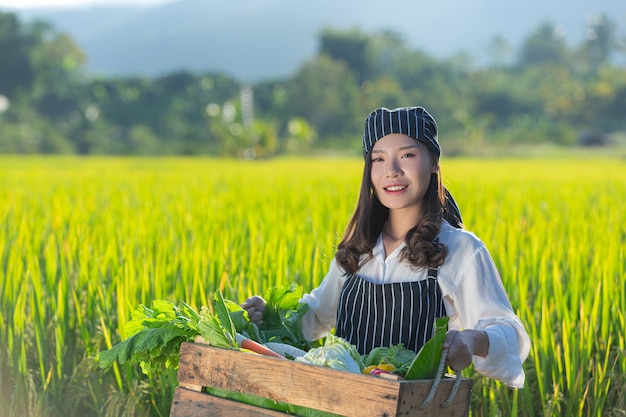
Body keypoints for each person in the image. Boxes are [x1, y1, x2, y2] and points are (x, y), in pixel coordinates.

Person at [242, 106, 530, 388]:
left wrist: (471, 340)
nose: (391, 171)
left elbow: (511, 336)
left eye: (407, 155)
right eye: (378, 159)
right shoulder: (359, 247)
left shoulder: (460, 249)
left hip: (416, 408)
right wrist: (270, 313)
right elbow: (319, 314)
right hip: (345, 406)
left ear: (434, 163)